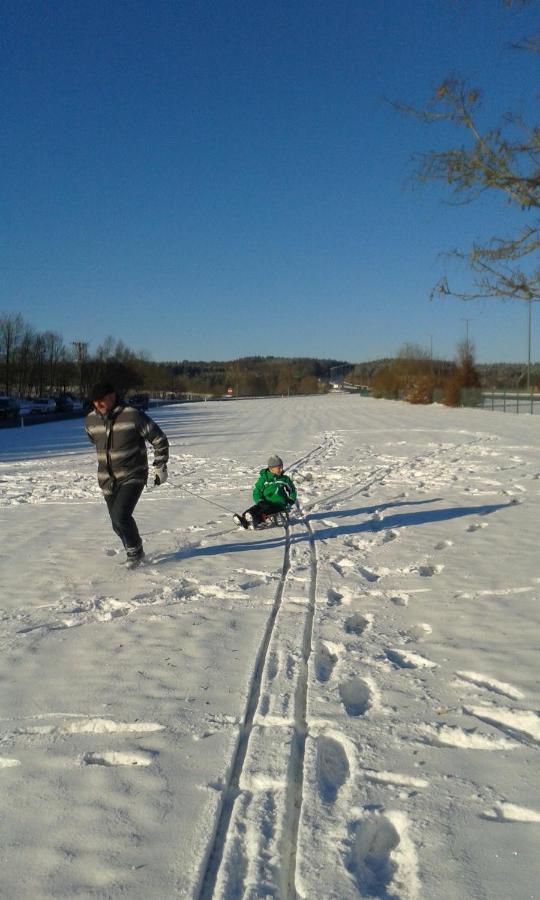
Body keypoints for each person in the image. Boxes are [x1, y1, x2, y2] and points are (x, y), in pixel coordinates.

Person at [85, 381, 169, 567]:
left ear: (112, 395)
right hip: (107, 479)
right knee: (117, 523)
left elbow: (159, 438)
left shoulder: (133, 415)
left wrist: (160, 465)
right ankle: (135, 550)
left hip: (133, 475)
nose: (97, 405)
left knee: (121, 516)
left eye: (101, 400)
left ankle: (134, 555)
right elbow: (94, 439)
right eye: (94, 402)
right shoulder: (90, 420)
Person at [234, 454, 297, 529]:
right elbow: (257, 491)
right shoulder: (264, 479)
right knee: (255, 508)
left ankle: (255, 520)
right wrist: (259, 500)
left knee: (266, 510)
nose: (281, 469)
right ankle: (244, 518)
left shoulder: (284, 479)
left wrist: (290, 500)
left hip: (279, 504)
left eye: (281, 467)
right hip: (265, 502)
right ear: (271, 468)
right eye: (279, 468)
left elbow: (292, 490)